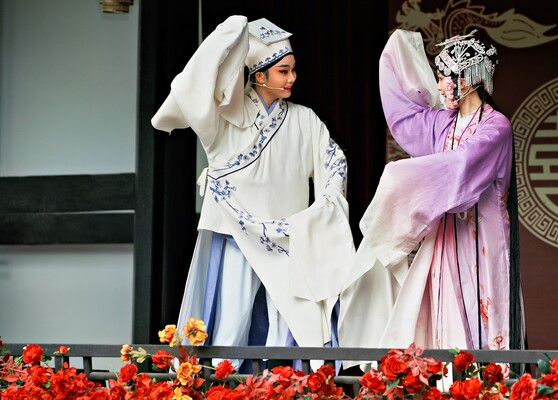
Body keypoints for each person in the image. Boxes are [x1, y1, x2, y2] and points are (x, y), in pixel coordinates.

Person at [151, 16, 355, 371]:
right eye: (283, 71)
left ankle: (284, 388)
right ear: (259, 75)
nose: (292, 78)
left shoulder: (305, 119)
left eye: (293, 70)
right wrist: (230, 31)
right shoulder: (223, 117)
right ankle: (218, 387)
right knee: (231, 321)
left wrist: (325, 204)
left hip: (288, 237)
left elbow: (333, 159)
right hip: (236, 235)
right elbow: (189, 88)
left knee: (291, 323)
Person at [338, 29, 525, 359]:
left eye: (443, 78)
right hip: (447, 238)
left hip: (484, 238)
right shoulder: (442, 123)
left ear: (466, 80)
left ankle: (492, 379)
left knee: (486, 308)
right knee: (445, 312)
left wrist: (400, 176)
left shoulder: (496, 127)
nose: (439, 87)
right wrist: (400, 50)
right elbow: (405, 115)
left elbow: (461, 166)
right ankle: (453, 381)